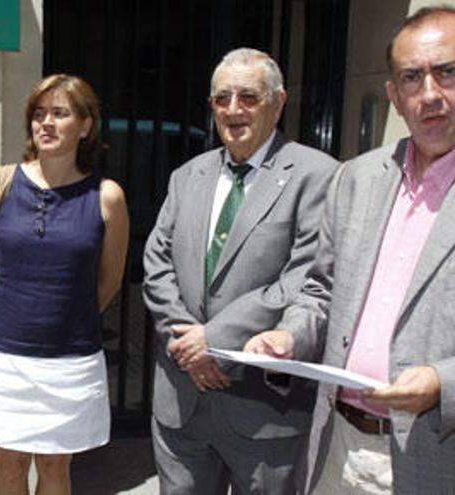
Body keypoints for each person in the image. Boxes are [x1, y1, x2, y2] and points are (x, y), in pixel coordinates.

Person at [246, 6, 455, 493]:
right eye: (411, 78)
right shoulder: (355, 178)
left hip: (434, 459)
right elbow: (321, 290)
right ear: (394, 96)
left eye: (447, 72)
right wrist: (291, 336)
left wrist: (444, 383)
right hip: (336, 445)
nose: (430, 95)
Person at [142, 48, 338, 494]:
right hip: (181, 404)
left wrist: (215, 340)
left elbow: (305, 276)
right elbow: (156, 264)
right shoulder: (186, 175)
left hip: (263, 409)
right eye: (221, 98)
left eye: (248, 97)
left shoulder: (318, 176)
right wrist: (187, 342)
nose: (233, 110)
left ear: (278, 101)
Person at [0, 74, 130, 494]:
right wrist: (12, 316)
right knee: (11, 468)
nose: (46, 123)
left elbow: (109, 281)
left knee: (56, 469)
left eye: (60, 113)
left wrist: (63, 320)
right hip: (3, 358)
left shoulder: (107, 196)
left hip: (70, 361)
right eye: (39, 114)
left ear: (86, 125)